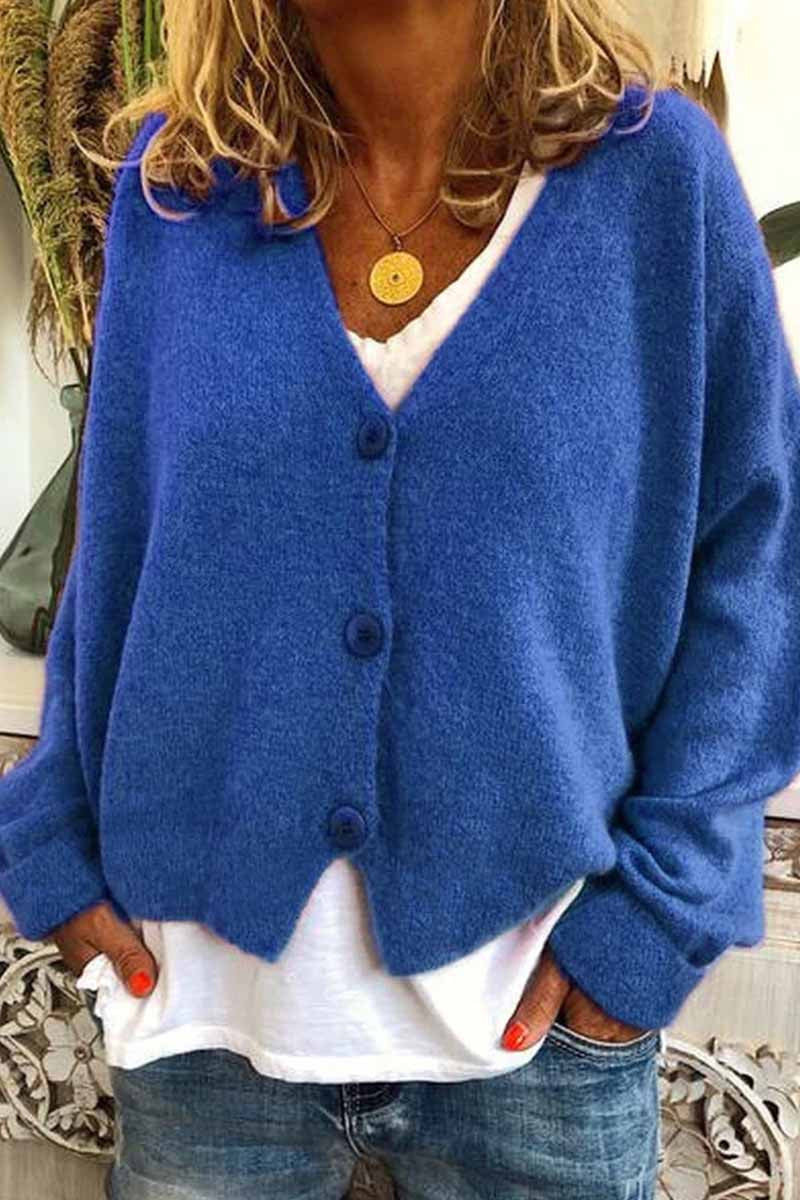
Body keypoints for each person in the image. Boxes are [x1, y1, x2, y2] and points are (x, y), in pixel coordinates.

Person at [2, 1, 799, 1197]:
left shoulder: (652, 183)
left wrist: (658, 916)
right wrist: (48, 837)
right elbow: (115, 543)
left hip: (537, 1046)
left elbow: (758, 558)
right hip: (202, 1026)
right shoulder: (178, 190)